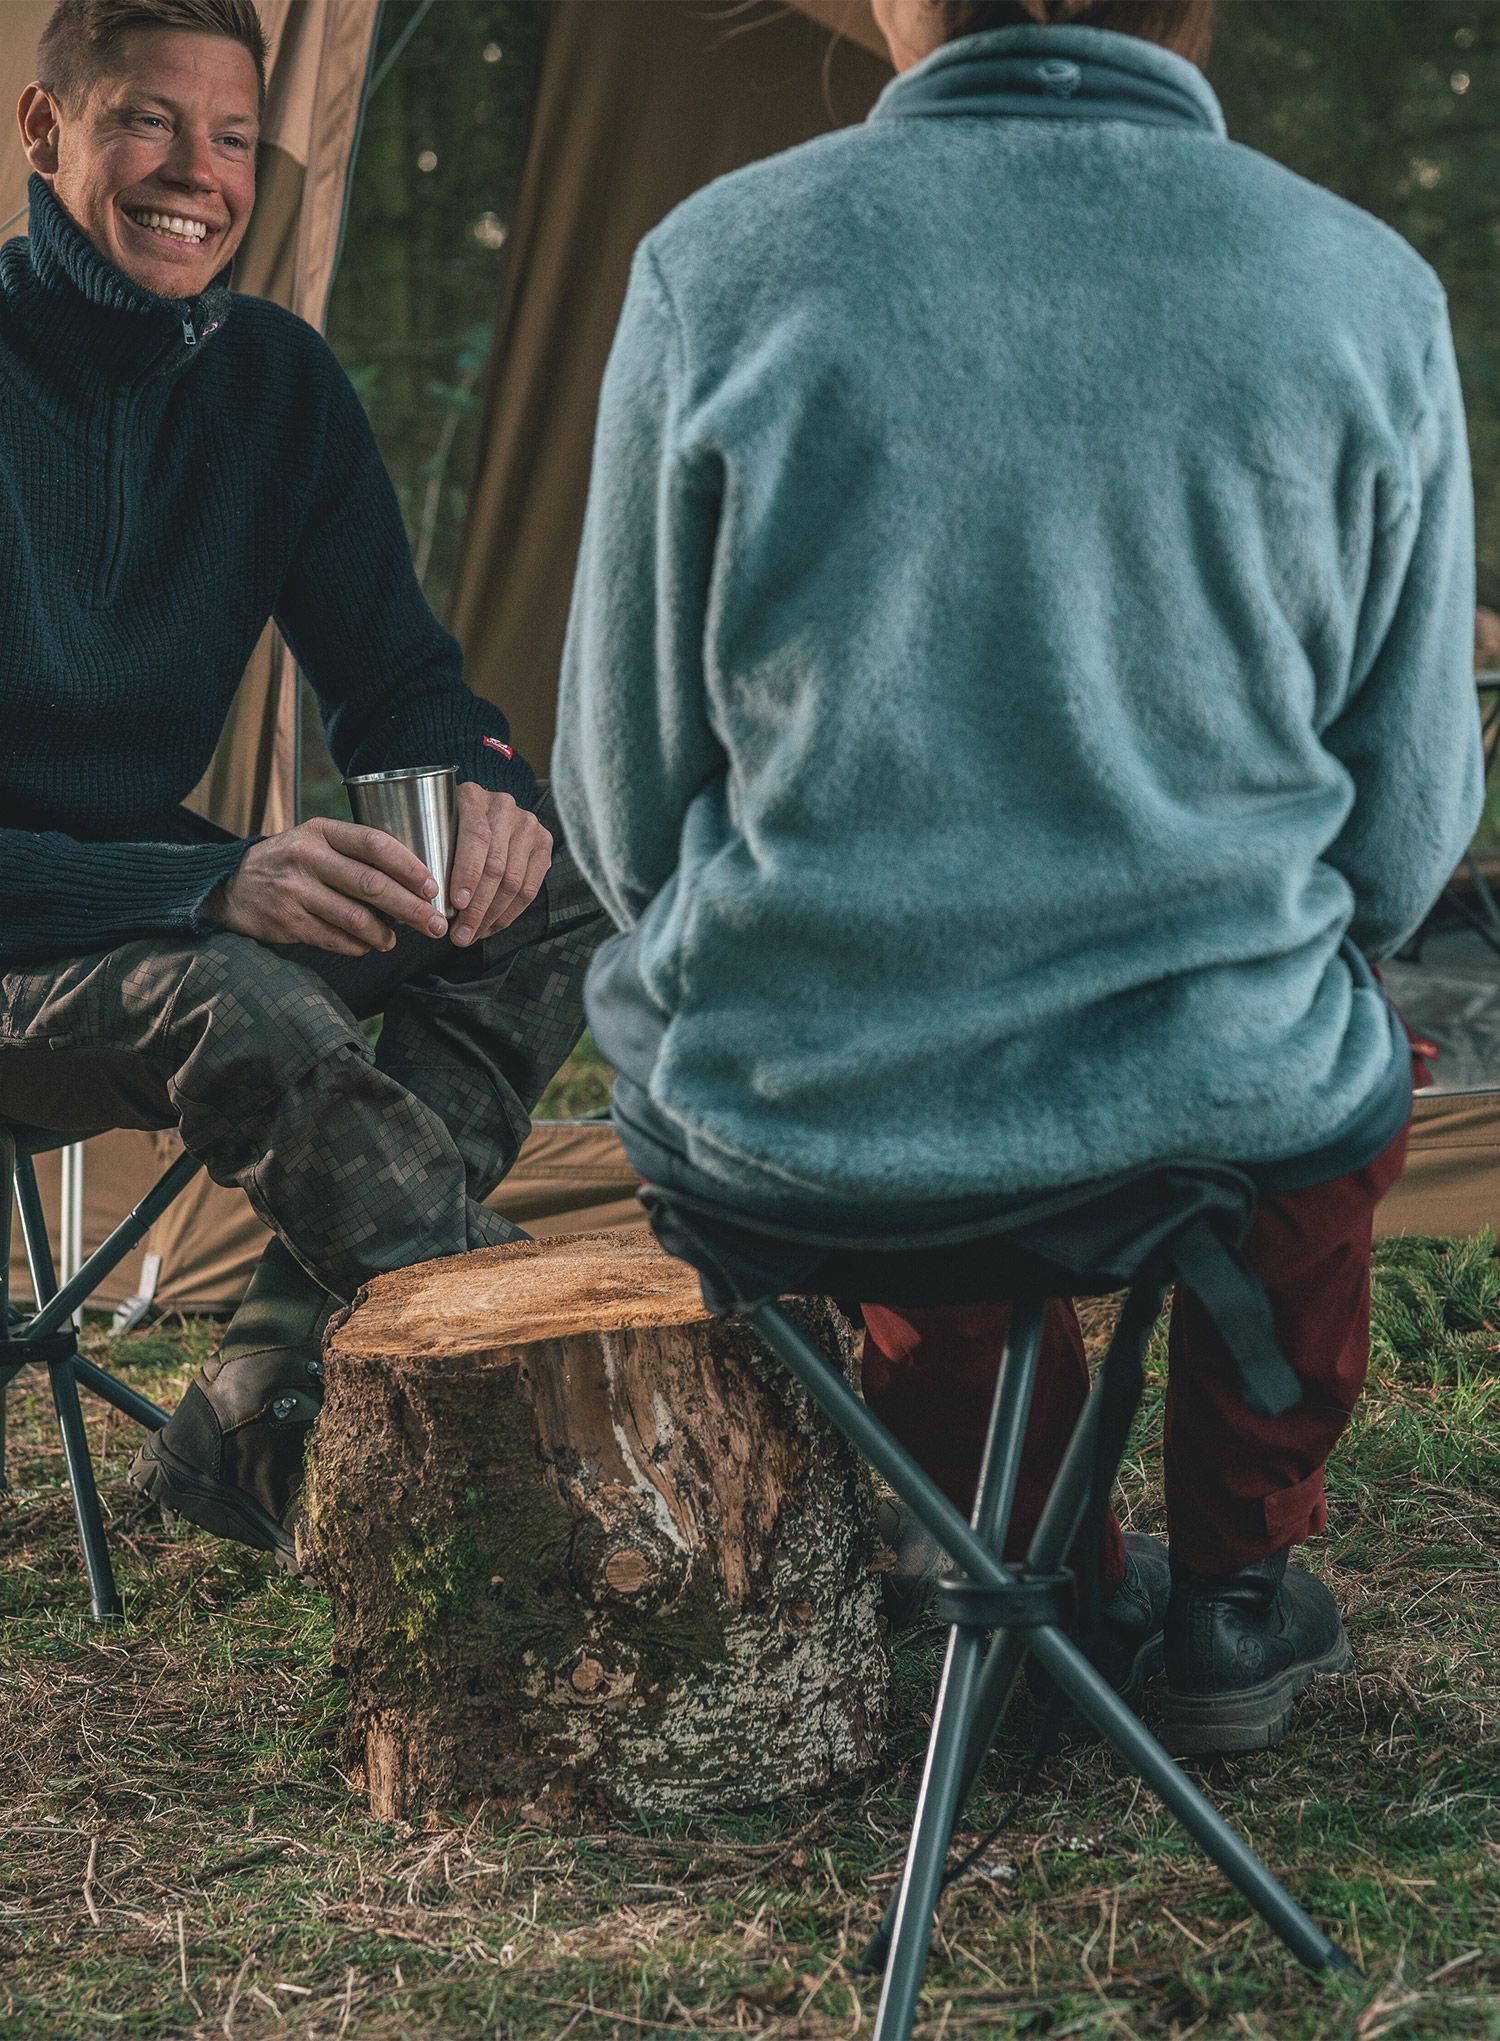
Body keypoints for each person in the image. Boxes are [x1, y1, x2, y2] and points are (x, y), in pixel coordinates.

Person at [552, 0, 1483, 1754]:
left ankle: (1028, 1553)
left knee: (885, 1096)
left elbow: (615, 803)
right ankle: (1231, 1591)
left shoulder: (717, 264)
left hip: (808, 1125)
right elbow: (1405, 836)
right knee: (1339, 1063)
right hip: (1222, 1100)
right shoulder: (1363, 287)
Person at [0, 0, 604, 1567]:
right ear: (43, 129)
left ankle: (269, 1381)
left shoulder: (274, 383)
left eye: (229, 136)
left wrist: (477, 794)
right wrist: (207, 882)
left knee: (560, 885)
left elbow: (402, 682)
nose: (193, 172)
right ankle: (550, 1409)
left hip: (159, 911)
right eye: (145, 121)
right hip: (57, 930)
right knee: (245, 997)